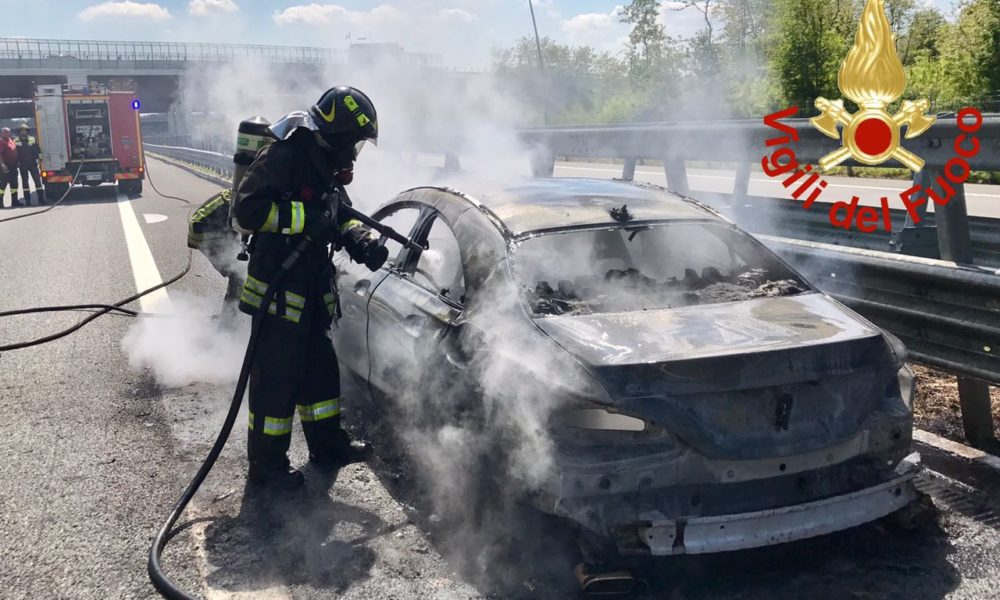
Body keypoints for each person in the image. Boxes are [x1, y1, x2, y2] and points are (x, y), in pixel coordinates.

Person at [232, 86, 388, 491]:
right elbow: (246, 211)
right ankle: (266, 468)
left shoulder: (326, 163)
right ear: (336, 134)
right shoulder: (284, 154)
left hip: (312, 289)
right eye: (354, 142)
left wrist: (361, 240)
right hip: (278, 290)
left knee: (320, 375)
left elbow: (339, 212)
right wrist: (303, 218)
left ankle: (327, 446)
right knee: (276, 384)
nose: (354, 153)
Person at [15, 123, 44, 205]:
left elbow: (38, 149)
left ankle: (41, 199)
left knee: (38, 182)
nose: (23, 132)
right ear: (19, 131)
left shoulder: (32, 139)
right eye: (22, 130)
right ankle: (27, 200)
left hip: (33, 164)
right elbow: (14, 153)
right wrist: (16, 162)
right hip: (22, 164)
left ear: (27, 131)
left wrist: (39, 158)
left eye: (25, 130)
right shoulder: (15, 141)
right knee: (25, 183)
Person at [0, 128, 20, 208]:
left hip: (13, 166)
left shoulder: (10, 140)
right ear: (1, 133)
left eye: (8, 132)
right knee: (2, 186)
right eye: (5, 132)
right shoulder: (1, 141)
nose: (7, 133)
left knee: (14, 185)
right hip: (5, 167)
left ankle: (15, 201)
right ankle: (0, 203)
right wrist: (2, 164)